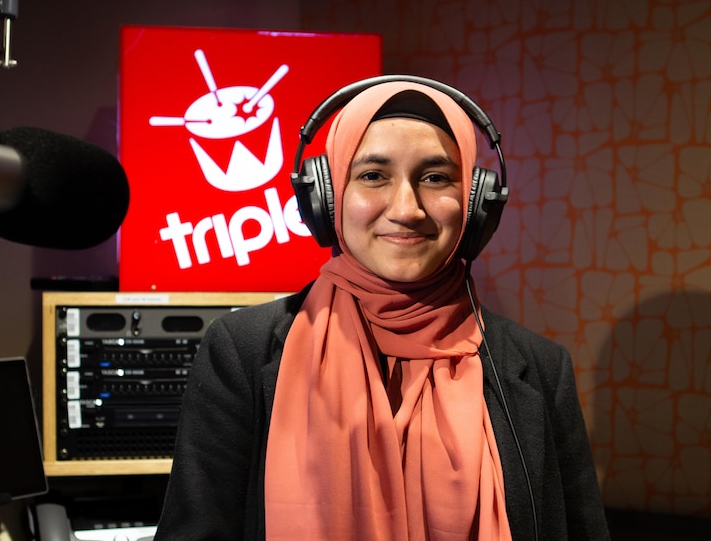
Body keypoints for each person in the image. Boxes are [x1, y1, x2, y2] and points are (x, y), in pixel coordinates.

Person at [153, 78, 610, 540]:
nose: (407, 209)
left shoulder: (541, 367)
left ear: (477, 205)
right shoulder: (243, 352)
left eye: (436, 178)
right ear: (325, 198)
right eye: (373, 175)